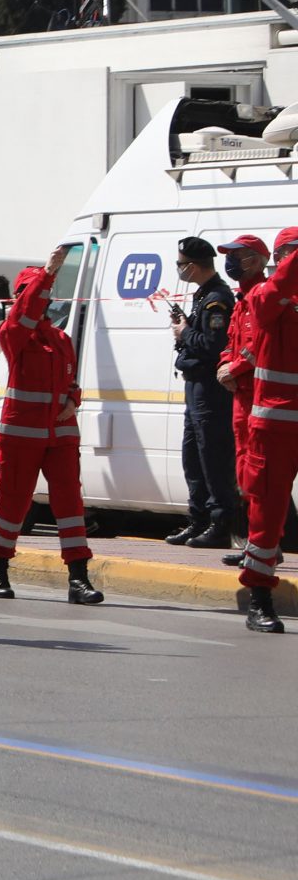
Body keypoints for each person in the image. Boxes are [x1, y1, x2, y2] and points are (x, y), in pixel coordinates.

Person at [0, 249, 104, 605]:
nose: (47, 302)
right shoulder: (13, 333)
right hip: (22, 435)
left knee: (70, 505)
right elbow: (25, 314)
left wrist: (72, 399)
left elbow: (71, 382)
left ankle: (78, 578)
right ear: (23, 299)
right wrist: (48, 274)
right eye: (40, 295)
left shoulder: (60, 339)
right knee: (13, 504)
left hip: (61, 436)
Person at [227, 226, 298, 632]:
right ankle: (260, 599)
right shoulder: (265, 295)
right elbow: (271, 300)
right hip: (274, 426)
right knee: (266, 516)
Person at [169, 235, 240, 551]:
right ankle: (198, 520)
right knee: (192, 456)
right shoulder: (202, 295)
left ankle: (220, 524)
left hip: (210, 388)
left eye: (181, 265)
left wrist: (185, 332)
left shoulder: (217, 299)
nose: (179, 270)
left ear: (194, 266)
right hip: (194, 384)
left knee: (212, 456)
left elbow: (214, 345)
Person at [213, 233, 270, 567]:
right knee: (244, 469)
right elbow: (233, 343)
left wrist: (234, 368)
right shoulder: (242, 299)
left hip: (256, 396)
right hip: (241, 397)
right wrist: (225, 363)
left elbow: (259, 342)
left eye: (239, 255)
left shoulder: (262, 296)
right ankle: (252, 542)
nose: (232, 262)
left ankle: (262, 543)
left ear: (256, 260)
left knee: (258, 472)